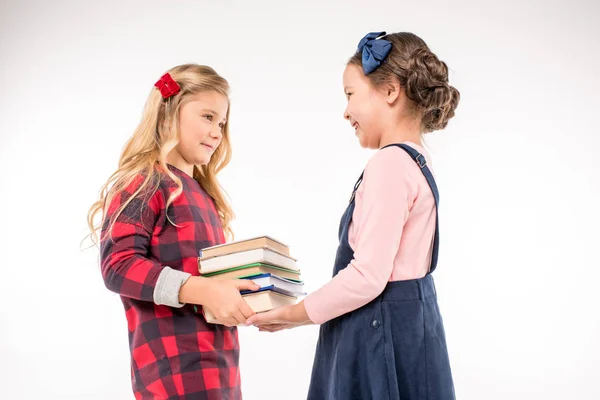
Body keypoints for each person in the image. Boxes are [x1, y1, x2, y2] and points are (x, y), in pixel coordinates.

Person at [247, 32, 460, 399]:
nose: (345, 111)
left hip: (377, 336)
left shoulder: (390, 164)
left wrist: (295, 314)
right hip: (413, 333)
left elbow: (368, 277)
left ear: (390, 91)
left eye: (350, 94)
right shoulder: (417, 162)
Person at [87, 63, 259, 399]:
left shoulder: (202, 195)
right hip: (173, 374)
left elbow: (203, 279)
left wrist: (239, 294)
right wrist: (207, 292)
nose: (217, 132)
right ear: (169, 113)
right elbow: (118, 266)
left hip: (218, 370)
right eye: (207, 117)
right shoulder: (143, 182)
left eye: (222, 123)